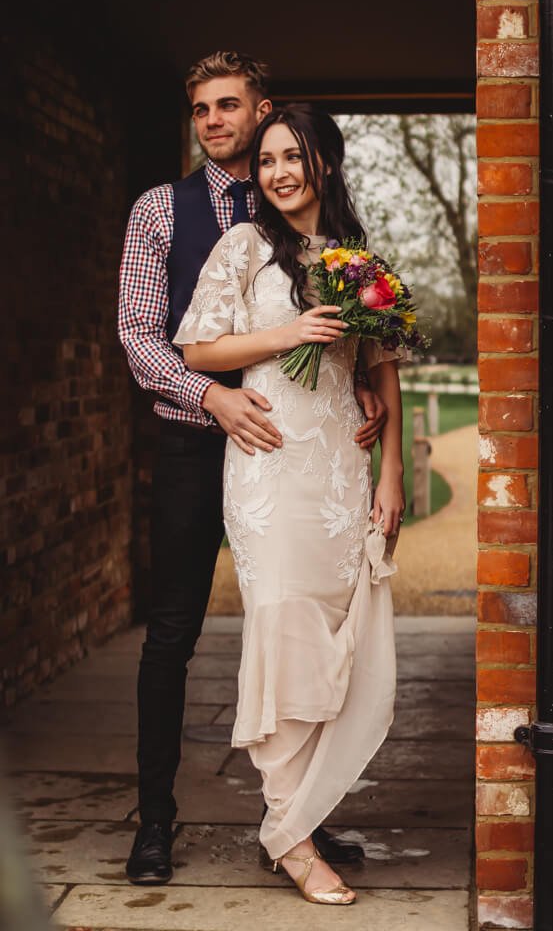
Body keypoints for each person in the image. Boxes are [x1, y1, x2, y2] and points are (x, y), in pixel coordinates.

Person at [118, 53, 386, 886]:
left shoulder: (310, 216)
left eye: (228, 106)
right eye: (200, 110)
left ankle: (299, 816)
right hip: (200, 444)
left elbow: (369, 337)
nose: (214, 122)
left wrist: (368, 389)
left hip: (304, 452)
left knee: (309, 621)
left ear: (264, 112)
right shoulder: (164, 209)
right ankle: (154, 823)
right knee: (173, 633)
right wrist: (211, 398)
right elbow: (138, 332)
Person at [173, 104, 405, 905]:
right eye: (266, 160)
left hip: (341, 469)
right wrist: (287, 335)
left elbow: (381, 366)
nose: (275, 172)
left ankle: (306, 811)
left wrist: (393, 473)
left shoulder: (355, 258)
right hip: (269, 469)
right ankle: (292, 839)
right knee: (280, 627)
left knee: (334, 635)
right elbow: (197, 349)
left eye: (291, 157)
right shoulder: (243, 249)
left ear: (326, 164)